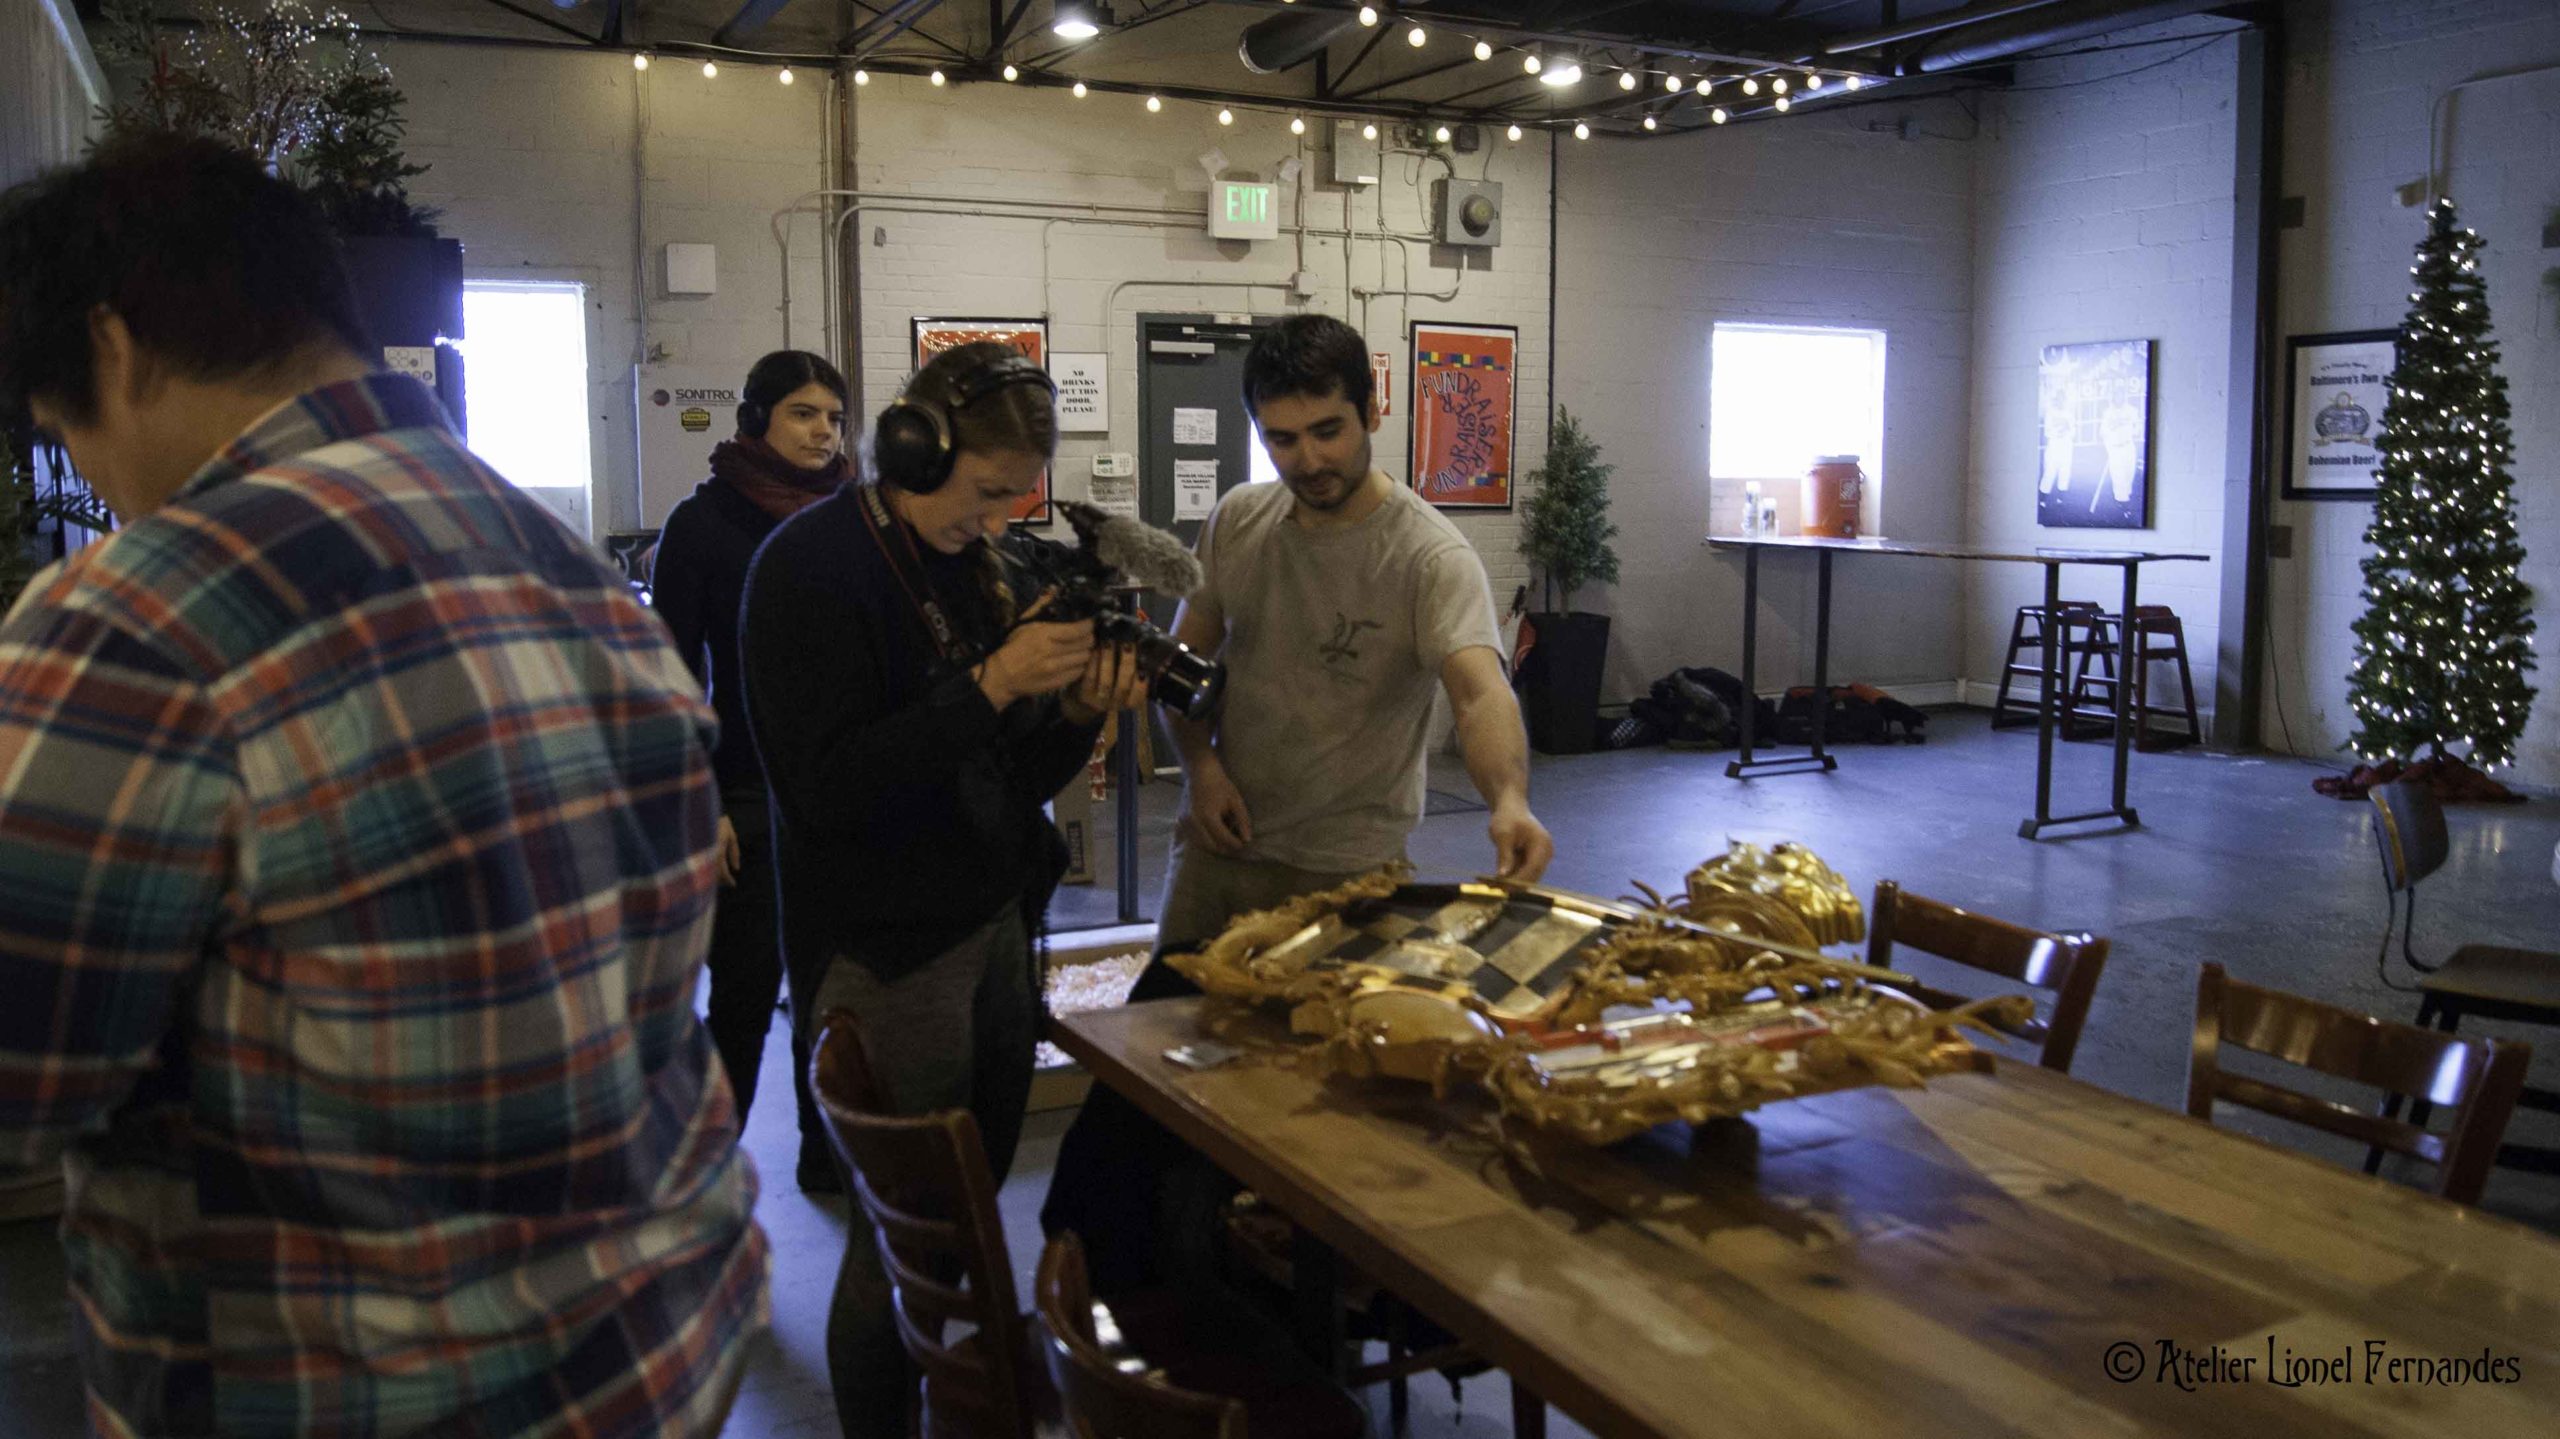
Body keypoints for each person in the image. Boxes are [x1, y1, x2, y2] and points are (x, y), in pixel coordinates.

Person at [0, 135, 766, 1437]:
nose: (93, 472)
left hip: (348, 1394)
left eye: (62, 425)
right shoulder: (567, 567)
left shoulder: (138, 621)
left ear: (112, 348)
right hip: (650, 1356)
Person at [1042, 312, 1553, 1293]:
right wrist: (1201, 768)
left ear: (1371, 411)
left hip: (1346, 885)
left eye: (1327, 430)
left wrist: (1509, 798)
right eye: (1281, 437)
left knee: (1310, 1132)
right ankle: (1126, 1301)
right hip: (1218, 865)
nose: (1307, 458)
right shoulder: (1240, 519)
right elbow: (1186, 663)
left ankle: (1285, 1323)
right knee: (1144, 1099)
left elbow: (1480, 689)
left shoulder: (1428, 555)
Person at [738, 341, 1145, 1439]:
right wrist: (993, 682)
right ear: (913, 449)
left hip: (993, 927)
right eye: (984, 492)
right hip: (884, 955)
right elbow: (826, 790)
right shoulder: (806, 569)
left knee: (971, 1209)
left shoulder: (976, 566)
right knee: (899, 1242)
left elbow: (1004, 779)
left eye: (1017, 496)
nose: (997, 517)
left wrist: (1073, 714)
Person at [652, 348, 850, 1193]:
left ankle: (826, 1157)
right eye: (804, 413)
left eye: (834, 417)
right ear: (756, 418)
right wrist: (701, 798)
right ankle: (705, 1180)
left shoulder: (854, 518)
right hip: (742, 788)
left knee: (833, 992)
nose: (823, 431)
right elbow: (668, 673)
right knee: (741, 994)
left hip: (837, 788)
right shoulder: (702, 525)